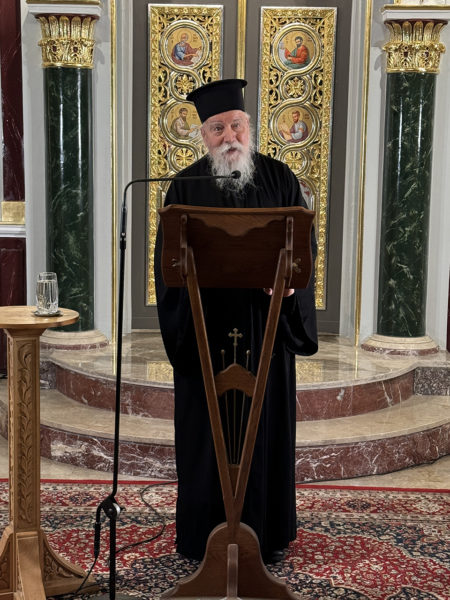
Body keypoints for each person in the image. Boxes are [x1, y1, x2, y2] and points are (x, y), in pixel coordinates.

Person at [154, 79, 318, 564]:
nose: (229, 137)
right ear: (203, 135)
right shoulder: (185, 186)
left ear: (250, 127)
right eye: (217, 128)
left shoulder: (280, 178)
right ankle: (204, 534)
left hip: (265, 329)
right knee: (208, 433)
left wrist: (290, 286)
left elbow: (304, 249)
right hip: (206, 330)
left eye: (236, 126)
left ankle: (265, 535)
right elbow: (167, 265)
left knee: (263, 430)